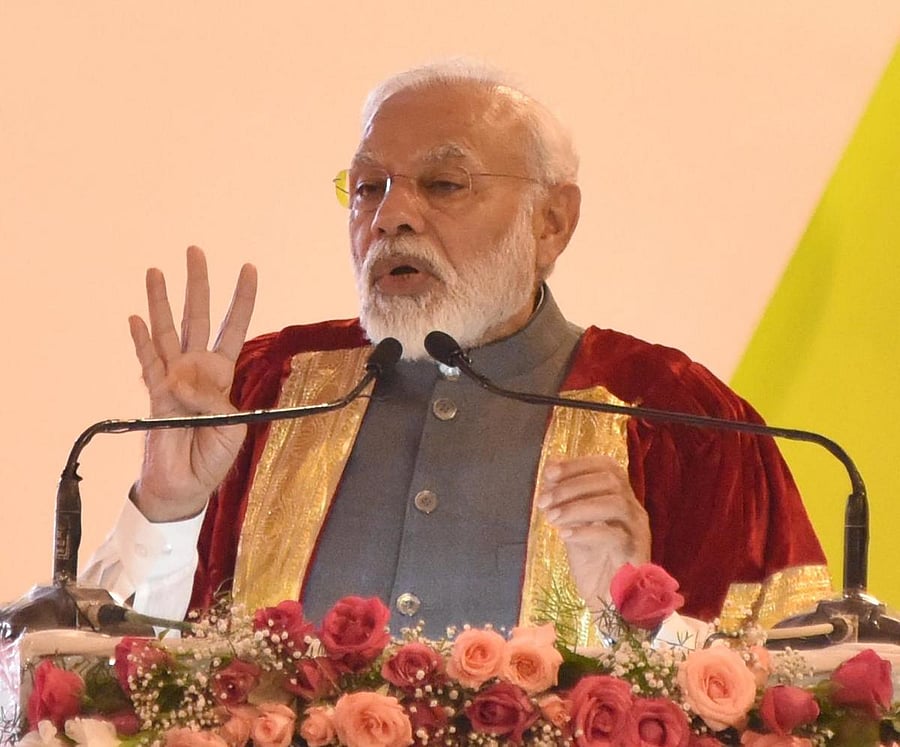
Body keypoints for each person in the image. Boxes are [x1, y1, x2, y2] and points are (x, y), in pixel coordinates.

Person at [84, 62, 830, 642]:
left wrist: (635, 615)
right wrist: (168, 509)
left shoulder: (681, 419)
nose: (389, 217)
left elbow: (800, 704)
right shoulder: (266, 389)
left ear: (553, 223)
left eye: (443, 183)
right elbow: (109, 691)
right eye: (368, 187)